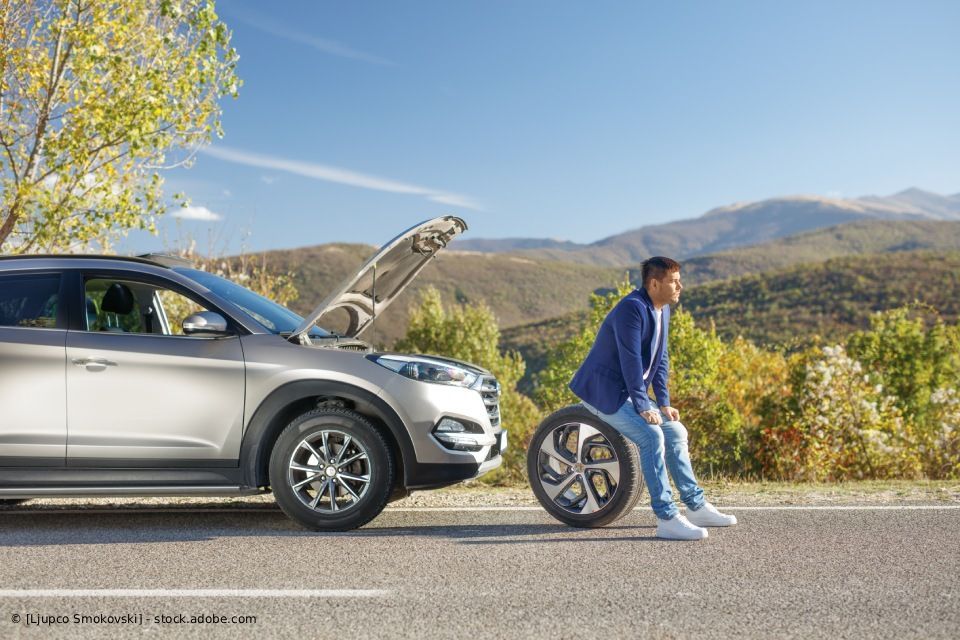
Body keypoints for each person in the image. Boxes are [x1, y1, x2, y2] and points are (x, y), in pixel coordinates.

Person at [569, 256, 737, 540]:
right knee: (652, 436)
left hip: (628, 394)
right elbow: (630, 360)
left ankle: (695, 506)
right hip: (603, 392)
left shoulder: (662, 309)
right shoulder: (631, 309)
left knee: (675, 431)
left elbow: (661, 358)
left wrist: (664, 402)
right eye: (673, 281)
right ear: (654, 283)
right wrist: (643, 404)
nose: (680, 286)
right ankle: (667, 517)